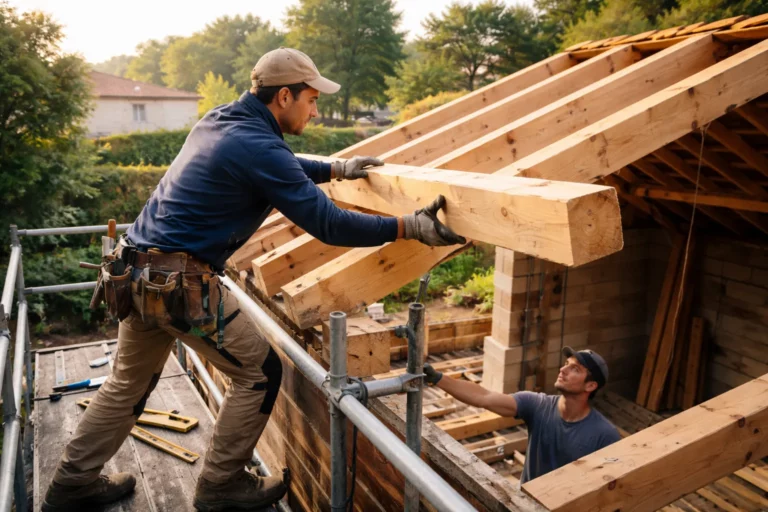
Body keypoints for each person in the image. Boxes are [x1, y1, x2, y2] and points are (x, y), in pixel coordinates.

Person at [43, 47, 466, 512]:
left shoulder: (220, 120)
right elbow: (330, 224)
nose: (316, 108)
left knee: (125, 383)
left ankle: (71, 484)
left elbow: (277, 163)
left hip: (136, 273)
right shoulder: (256, 145)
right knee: (260, 371)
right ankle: (221, 484)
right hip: (181, 286)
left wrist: (333, 168)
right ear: (284, 96)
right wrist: (408, 227)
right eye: (311, 99)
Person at [423, 347, 621, 483]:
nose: (563, 369)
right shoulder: (537, 405)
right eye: (566, 363)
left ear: (591, 385)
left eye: (574, 369)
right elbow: (484, 397)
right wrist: (438, 379)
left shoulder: (604, 435)